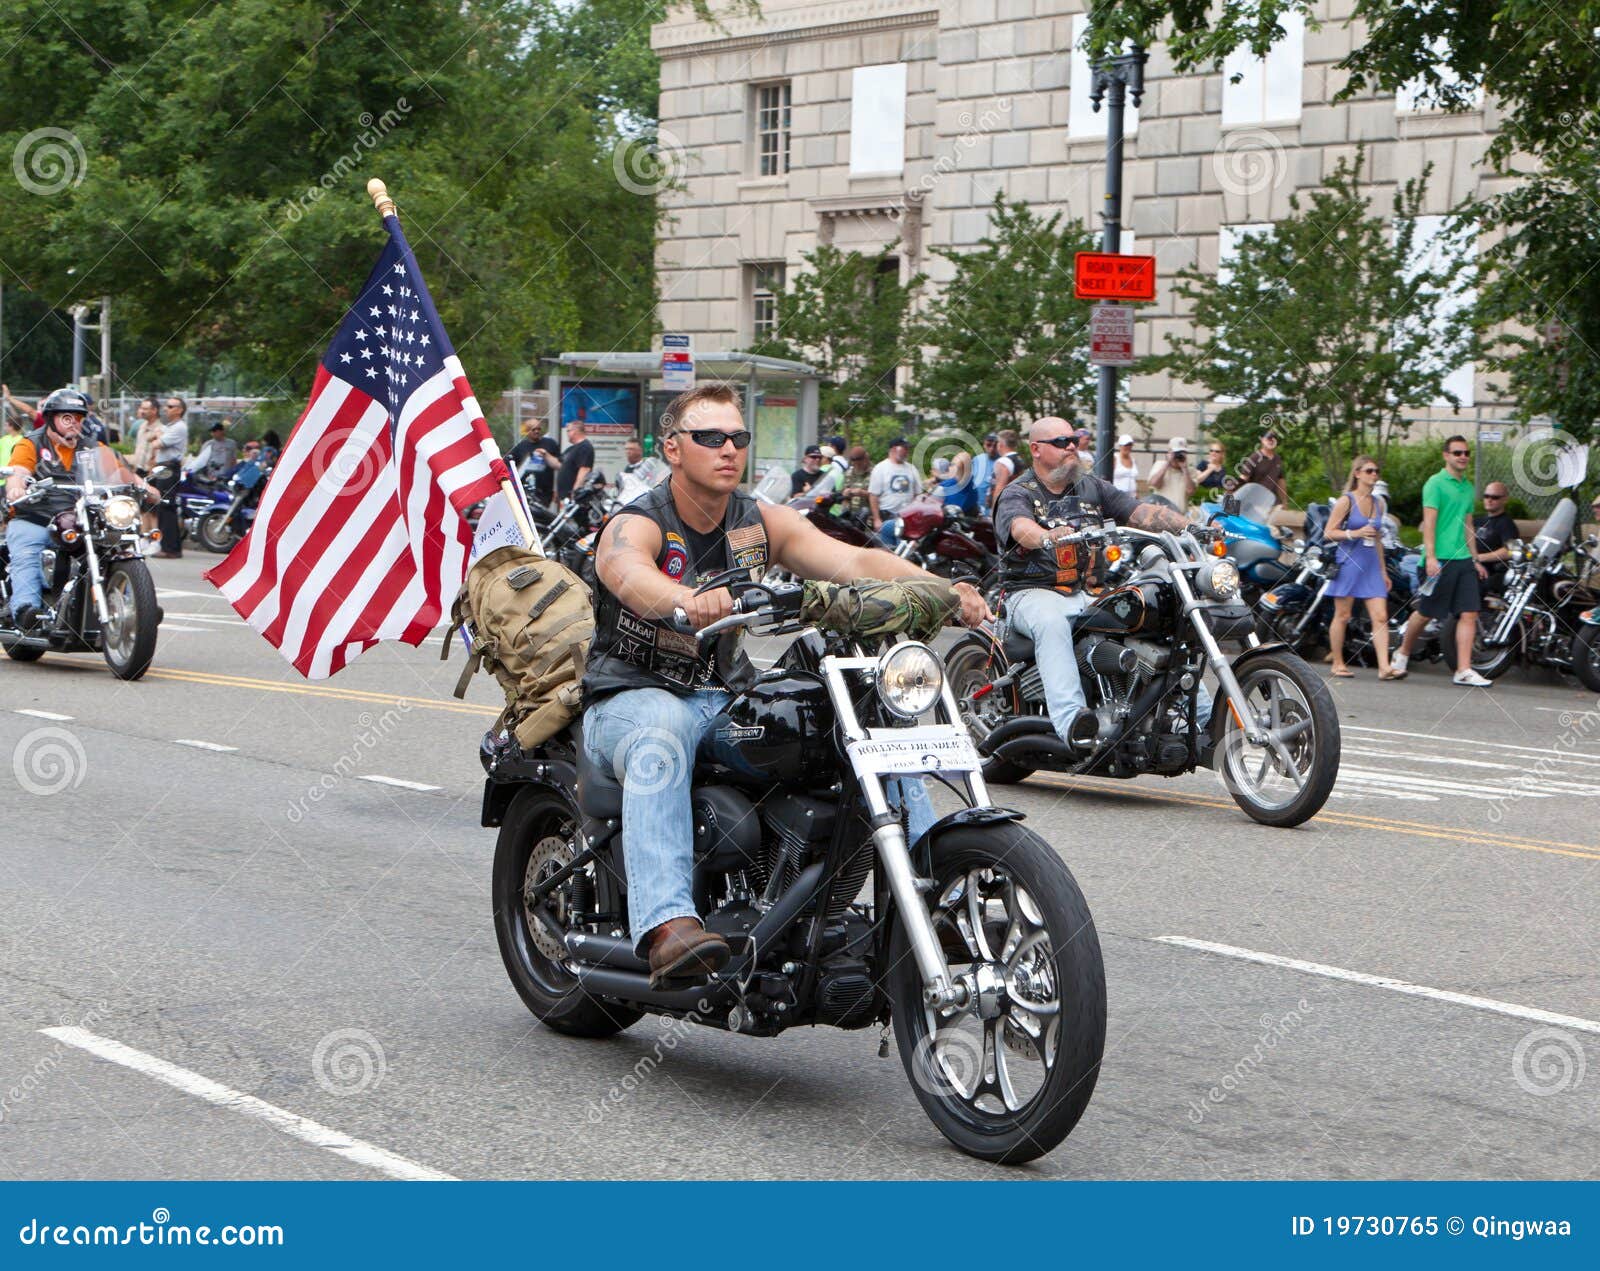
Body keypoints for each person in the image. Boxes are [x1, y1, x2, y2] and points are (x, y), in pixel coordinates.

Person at [581, 382, 987, 986]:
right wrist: (686, 601)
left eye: (737, 438)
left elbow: (851, 562)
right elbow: (627, 572)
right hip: (630, 697)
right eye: (709, 437)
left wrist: (937, 589)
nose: (728, 450)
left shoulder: (757, 521)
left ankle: (934, 891)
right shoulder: (639, 521)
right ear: (672, 448)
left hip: (720, 697)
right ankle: (669, 926)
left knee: (858, 719)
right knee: (661, 730)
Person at [997, 417, 1206, 748]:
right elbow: (1021, 527)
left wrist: (1191, 527)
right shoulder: (1018, 492)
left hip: (1083, 593)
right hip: (1031, 593)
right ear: (1036, 450)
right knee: (1052, 624)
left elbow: (1140, 512)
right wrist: (1046, 536)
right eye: (1062, 442)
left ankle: (1201, 718)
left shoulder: (1090, 486)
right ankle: (1072, 722)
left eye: (1075, 441)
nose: (1071, 447)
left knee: (1145, 616)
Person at [4, 389, 159, 630]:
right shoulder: (31, 443)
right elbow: (19, 472)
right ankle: (26, 610)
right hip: (36, 517)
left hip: (81, 517)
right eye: (67, 417)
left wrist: (145, 487)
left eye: (78, 417)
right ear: (51, 419)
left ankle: (139, 603)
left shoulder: (93, 448)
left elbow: (121, 473)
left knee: (114, 543)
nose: (73, 422)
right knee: (27, 551)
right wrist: (16, 487)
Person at [1392, 436, 1491, 686]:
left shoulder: (1468, 488)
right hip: (1440, 560)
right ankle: (1402, 652)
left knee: (1469, 613)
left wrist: (1476, 559)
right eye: (1457, 452)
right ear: (1446, 455)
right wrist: (1431, 557)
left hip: (1464, 560)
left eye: (1466, 452)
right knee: (1426, 613)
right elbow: (1430, 523)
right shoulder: (1435, 484)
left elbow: (1468, 525)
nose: (1463, 457)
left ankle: (1463, 670)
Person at [1324, 455, 1397, 679]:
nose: (1374, 475)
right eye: (1369, 471)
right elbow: (1329, 532)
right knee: (1343, 615)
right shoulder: (1346, 501)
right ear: (1357, 474)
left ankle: (1384, 667)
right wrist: (1353, 533)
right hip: (1349, 562)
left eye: (1376, 471)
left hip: (1372, 564)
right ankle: (1337, 662)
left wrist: (1383, 571)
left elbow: (1377, 540)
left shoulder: (1379, 503)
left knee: (1381, 616)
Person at [152, 394, 191, 558]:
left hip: (169, 468)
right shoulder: (171, 426)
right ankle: (167, 545)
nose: (166, 409)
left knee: (167, 507)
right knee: (163, 506)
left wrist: (158, 435)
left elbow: (156, 443)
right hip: (163, 468)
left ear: (180, 410)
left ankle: (170, 548)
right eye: (166, 406)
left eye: (170, 406)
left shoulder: (179, 427)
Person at [868, 436, 920, 545]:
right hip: (887, 517)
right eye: (904, 448)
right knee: (886, 552)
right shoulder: (880, 468)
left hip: (906, 519)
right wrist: (877, 519)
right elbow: (873, 495)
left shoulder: (911, 469)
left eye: (907, 449)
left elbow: (917, 494)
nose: (907, 451)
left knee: (903, 551)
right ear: (893, 449)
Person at [1471, 481, 1520, 593]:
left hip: (1487, 571)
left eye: (1495, 497)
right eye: (1486, 496)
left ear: (1505, 499)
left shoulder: (1507, 524)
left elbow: (1510, 551)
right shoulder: (1477, 520)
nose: (1489, 500)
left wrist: (1478, 558)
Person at [1237, 429, 1286, 506]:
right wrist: (1235, 497)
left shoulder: (1278, 459)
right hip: (1254, 502)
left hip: (1271, 502)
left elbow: (1281, 481)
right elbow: (1243, 478)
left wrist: (1284, 501)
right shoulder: (1254, 457)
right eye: (1269, 438)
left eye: (1274, 438)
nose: (1271, 440)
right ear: (1262, 440)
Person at [1147, 437, 1197, 509]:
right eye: (1176, 453)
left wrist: (1185, 469)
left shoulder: (1190, 471)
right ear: (1169, 452)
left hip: (1180, 516)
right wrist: (1168, 463)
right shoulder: (1160, 465)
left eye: (1182, 453)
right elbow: (1154, 484)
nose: (1177, 456)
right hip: (1160, 514)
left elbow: (1190, 491)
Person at [557, 418, 595, 502]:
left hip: (572, 497)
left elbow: (584, 470)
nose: (567, 433)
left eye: (568, 431)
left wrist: (575, 492)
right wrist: (545, 455)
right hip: (564, 496)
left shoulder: (585, 447)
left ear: (575, 431)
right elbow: (558, 464)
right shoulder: (571, 449)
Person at [987, 429, 1023, 513]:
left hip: (1005, 507)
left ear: (1001, 444)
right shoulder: (1019, 459)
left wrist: (994, 511)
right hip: (1016, 504)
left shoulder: (1003, 462)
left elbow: (999, 488)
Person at [838, 445, 874, 521]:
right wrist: (845, 493)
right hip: (850, 518)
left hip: (868, 519)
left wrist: (863, 493)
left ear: (866, 458)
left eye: (859, 462)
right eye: (853, 462)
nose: (856, 464)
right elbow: (842, 494)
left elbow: (880, 497)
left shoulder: (875, 473)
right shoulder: (848, 474)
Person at [970, 432, 999, 509]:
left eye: (995, 445)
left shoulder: (1003, 462)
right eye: (988, 445)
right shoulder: (977, 460)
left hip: (995, 507)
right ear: (984, 444)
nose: (992, 448)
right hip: (976, 506)